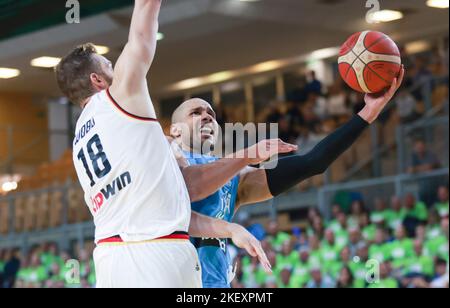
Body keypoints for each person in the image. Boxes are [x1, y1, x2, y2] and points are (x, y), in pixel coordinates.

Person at [55, 0, 271, 288]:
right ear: (97, 80)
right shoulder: (120, 96)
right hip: (157, 254)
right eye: (109, 65)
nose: (116, 68)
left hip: (109, 260)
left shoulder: (80, 138)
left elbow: (169, 207)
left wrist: (229, 229)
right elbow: (142, 28)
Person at [170, 67, 405, 287]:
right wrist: (247, 156)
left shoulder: (235, 177)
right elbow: (190, 187)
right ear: (175, 129)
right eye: (196, 112)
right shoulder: (165, 159)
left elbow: (313, 162)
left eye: (211, 113)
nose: (207, 116)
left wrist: (367, 113)